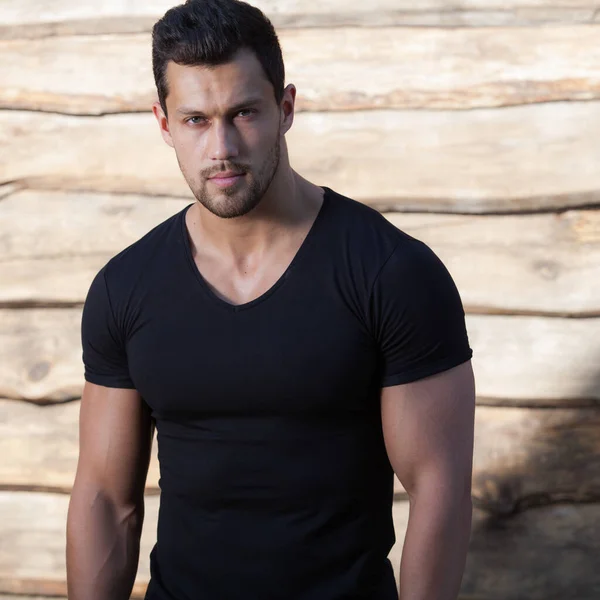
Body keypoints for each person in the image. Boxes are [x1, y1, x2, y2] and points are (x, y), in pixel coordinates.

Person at [66, 0, 476, 598]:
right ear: (163, 124)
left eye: (244, 113)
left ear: (286, 108)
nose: (222, 147)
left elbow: (440, 489)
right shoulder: (126, 286)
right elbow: (106, 497)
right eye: (196, 120)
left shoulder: (392, 272)